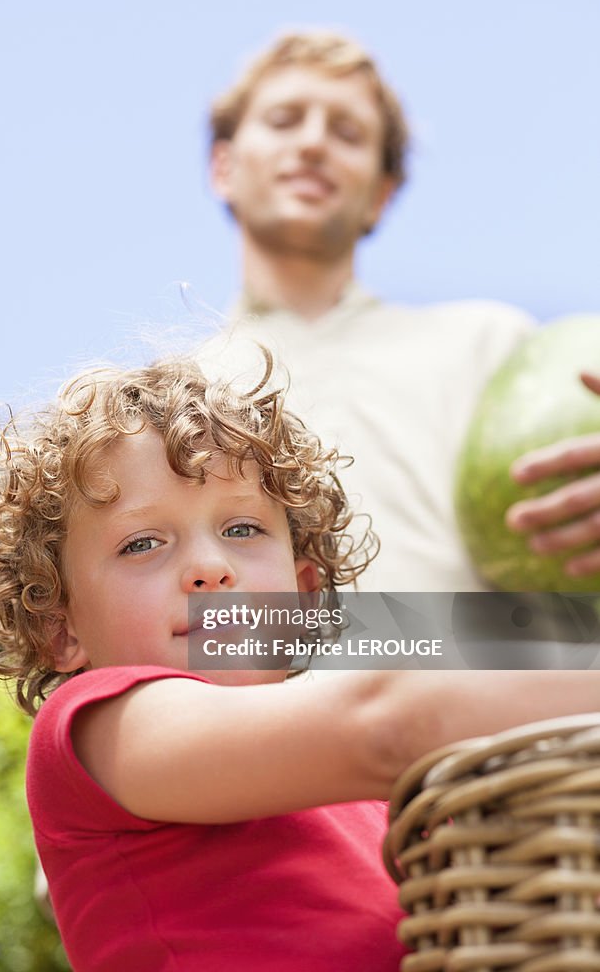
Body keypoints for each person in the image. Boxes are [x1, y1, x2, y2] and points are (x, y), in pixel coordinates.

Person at [0, 353, 600, 971]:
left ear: (305, 594)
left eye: (241, 529)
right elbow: (397, 718)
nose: (209, 567)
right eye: (142, 543)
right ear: (60, 628)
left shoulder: (395, 793)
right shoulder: (103, 730)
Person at [203, 30, 600, 591]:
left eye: (348, 133)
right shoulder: (174, 398)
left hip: (502, 674)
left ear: (381, 195)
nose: (314, 144)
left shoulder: (494, 344)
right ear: (224, 167)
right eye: (284, 120)